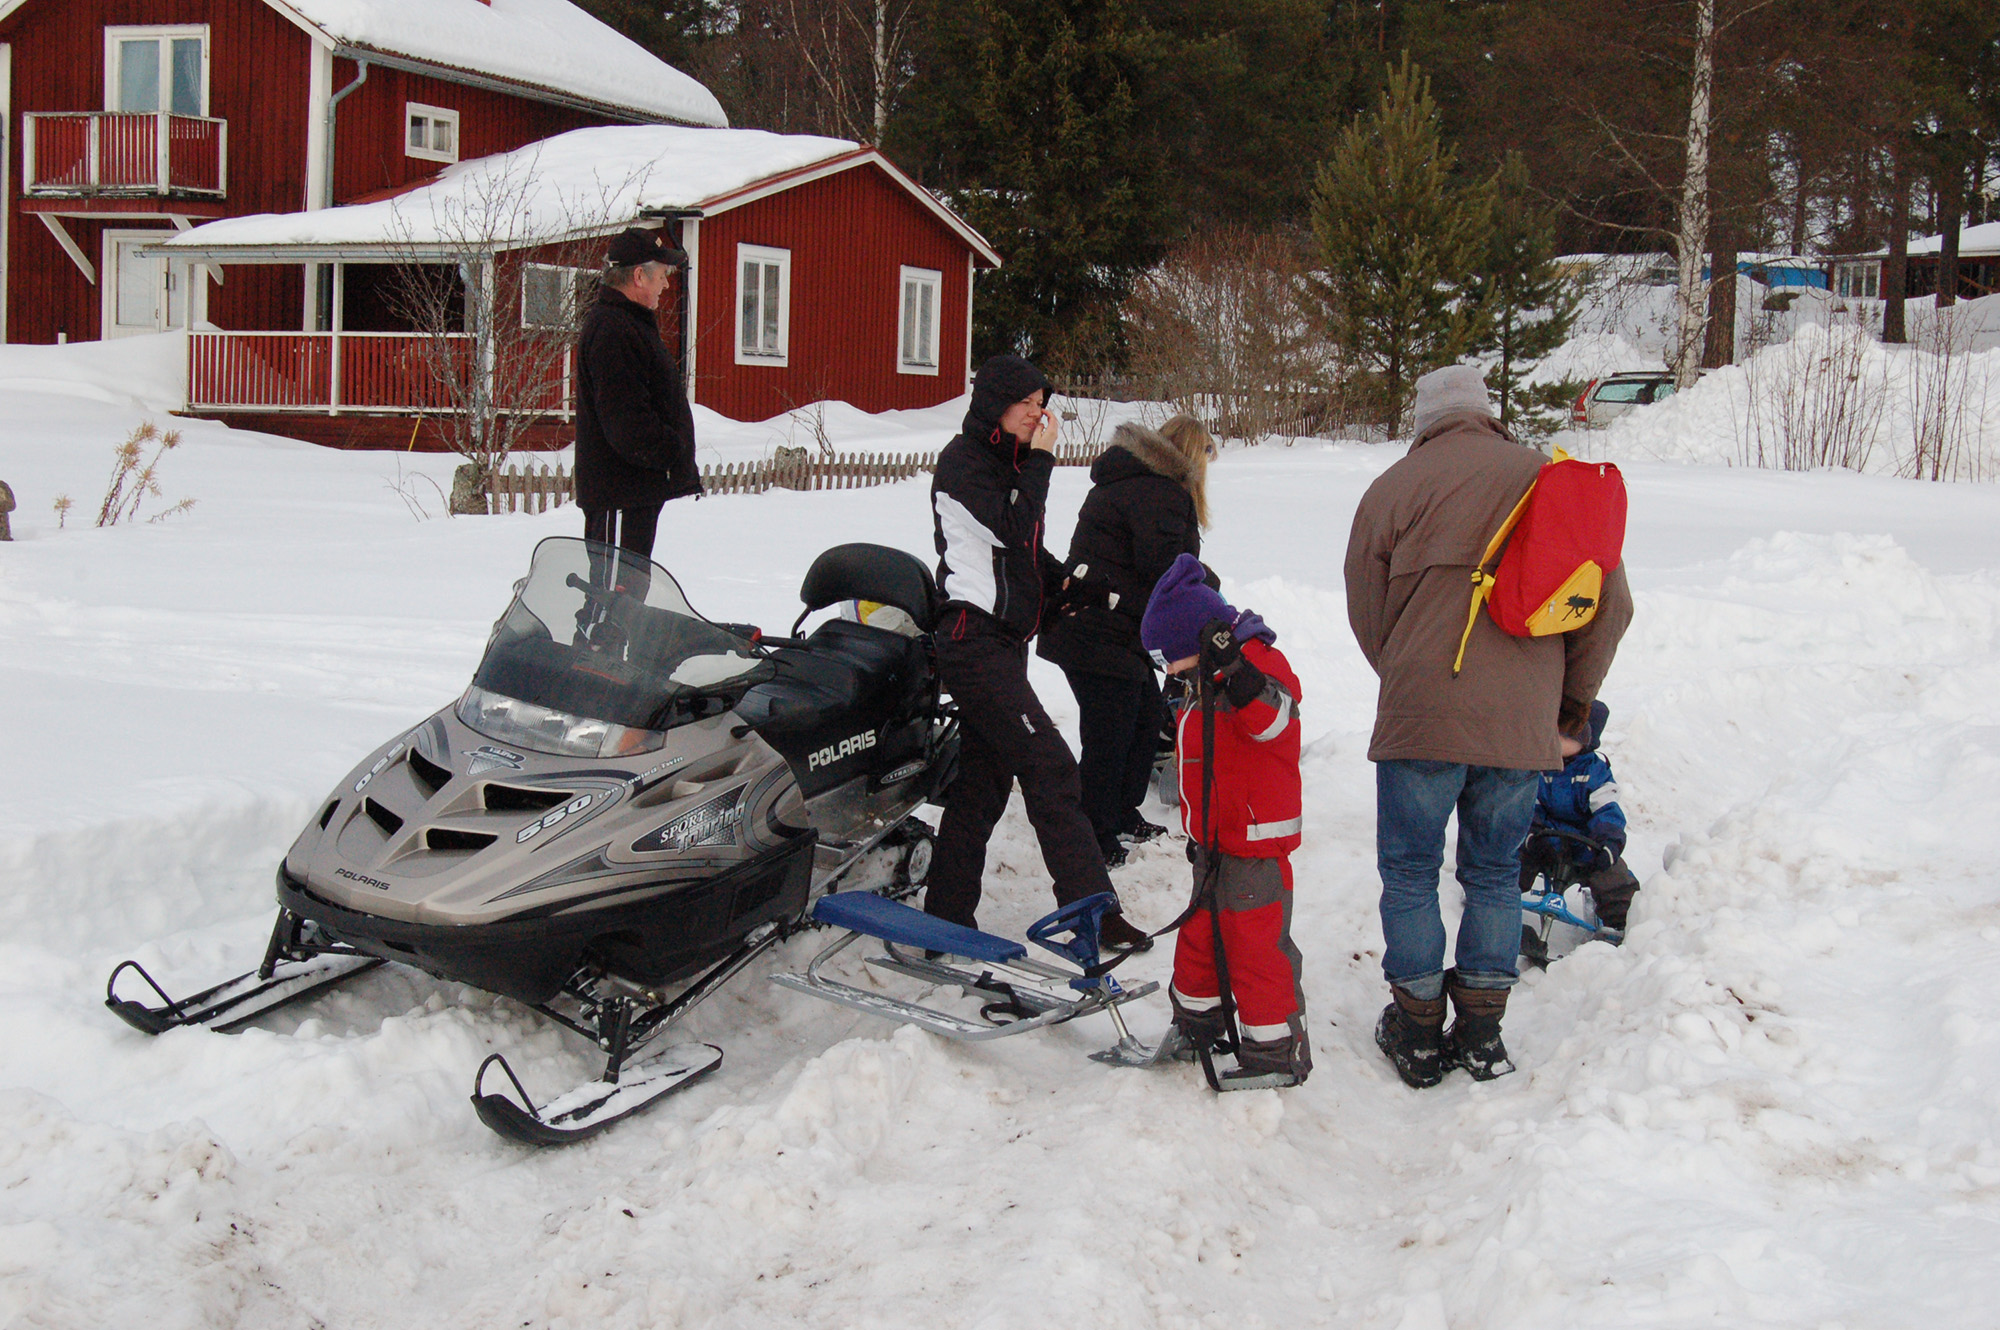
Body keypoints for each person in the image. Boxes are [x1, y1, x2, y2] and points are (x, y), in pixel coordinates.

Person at [1344, 363, 1632, 1088]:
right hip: (1518, 725)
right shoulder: (1549, 481)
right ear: (1487, 414)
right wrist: (1566, 709)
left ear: (1424, 421)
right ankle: (1480, 1031)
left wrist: (1408, 677)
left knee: (1409, 870)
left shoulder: (1391, 490)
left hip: (1421, 718)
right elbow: (1612, 606)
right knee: (1496, 871)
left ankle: (1415, 1031)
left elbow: (1365, 606)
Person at [925, 354, 1151, 953]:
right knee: (1050, 767)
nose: (1037, 413)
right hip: (972, 643)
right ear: (995, 404)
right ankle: (1092, 915)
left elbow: (1024, 558)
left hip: (1001, 645)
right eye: (1026, 402)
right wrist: (1045, 461)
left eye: (1041, 403)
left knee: (982, 785)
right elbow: (1013, 527)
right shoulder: (964, 463)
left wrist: (1076, 587)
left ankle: (944, 919)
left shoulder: (1005, 464)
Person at [1139, 553, 1309, 1084]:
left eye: (1171, 657)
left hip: (1255, 842)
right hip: (1213, 839)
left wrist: (1239, 676)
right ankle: (1197, 1022)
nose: (1169, 671)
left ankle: (1275, 1050)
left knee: (1255, 948)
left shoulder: (1256, 664)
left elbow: (1278, 722)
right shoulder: (1199, 675)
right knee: (1199, 934)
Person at [1037, 414, 1209, 867]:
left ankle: (1119, 812)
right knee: (1110, 734)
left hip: (1101, 622)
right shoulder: (1163, 494)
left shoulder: (1133, 481)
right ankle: (1093, 832)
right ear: (1191, 458)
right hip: (1097, 627)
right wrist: (1207, 588)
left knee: (1142, 718)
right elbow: (1166, 570)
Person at [574, 227, 701, 570]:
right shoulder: (613, 330)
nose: (666, 284)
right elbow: (627, 425)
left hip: (633, 495)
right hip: (620, 496)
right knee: (611, 601)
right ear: (639, 275)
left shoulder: (630, 324)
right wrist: (673, 450)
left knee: (626, 599)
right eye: (662, 274)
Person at [1518, 699, 1640, 932]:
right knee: (1511, 859)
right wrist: (1532, 829)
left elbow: (1607, 811)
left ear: (1586, 741)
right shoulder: (1542, 766)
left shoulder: (1596, 773)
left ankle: (1622, 921)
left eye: (1565, 737)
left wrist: (1608, 843)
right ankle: (1493, 902)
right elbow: (1532, 803)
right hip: (1546, 840)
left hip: (1587, 846)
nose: (1557, 741)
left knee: (1614, 877)